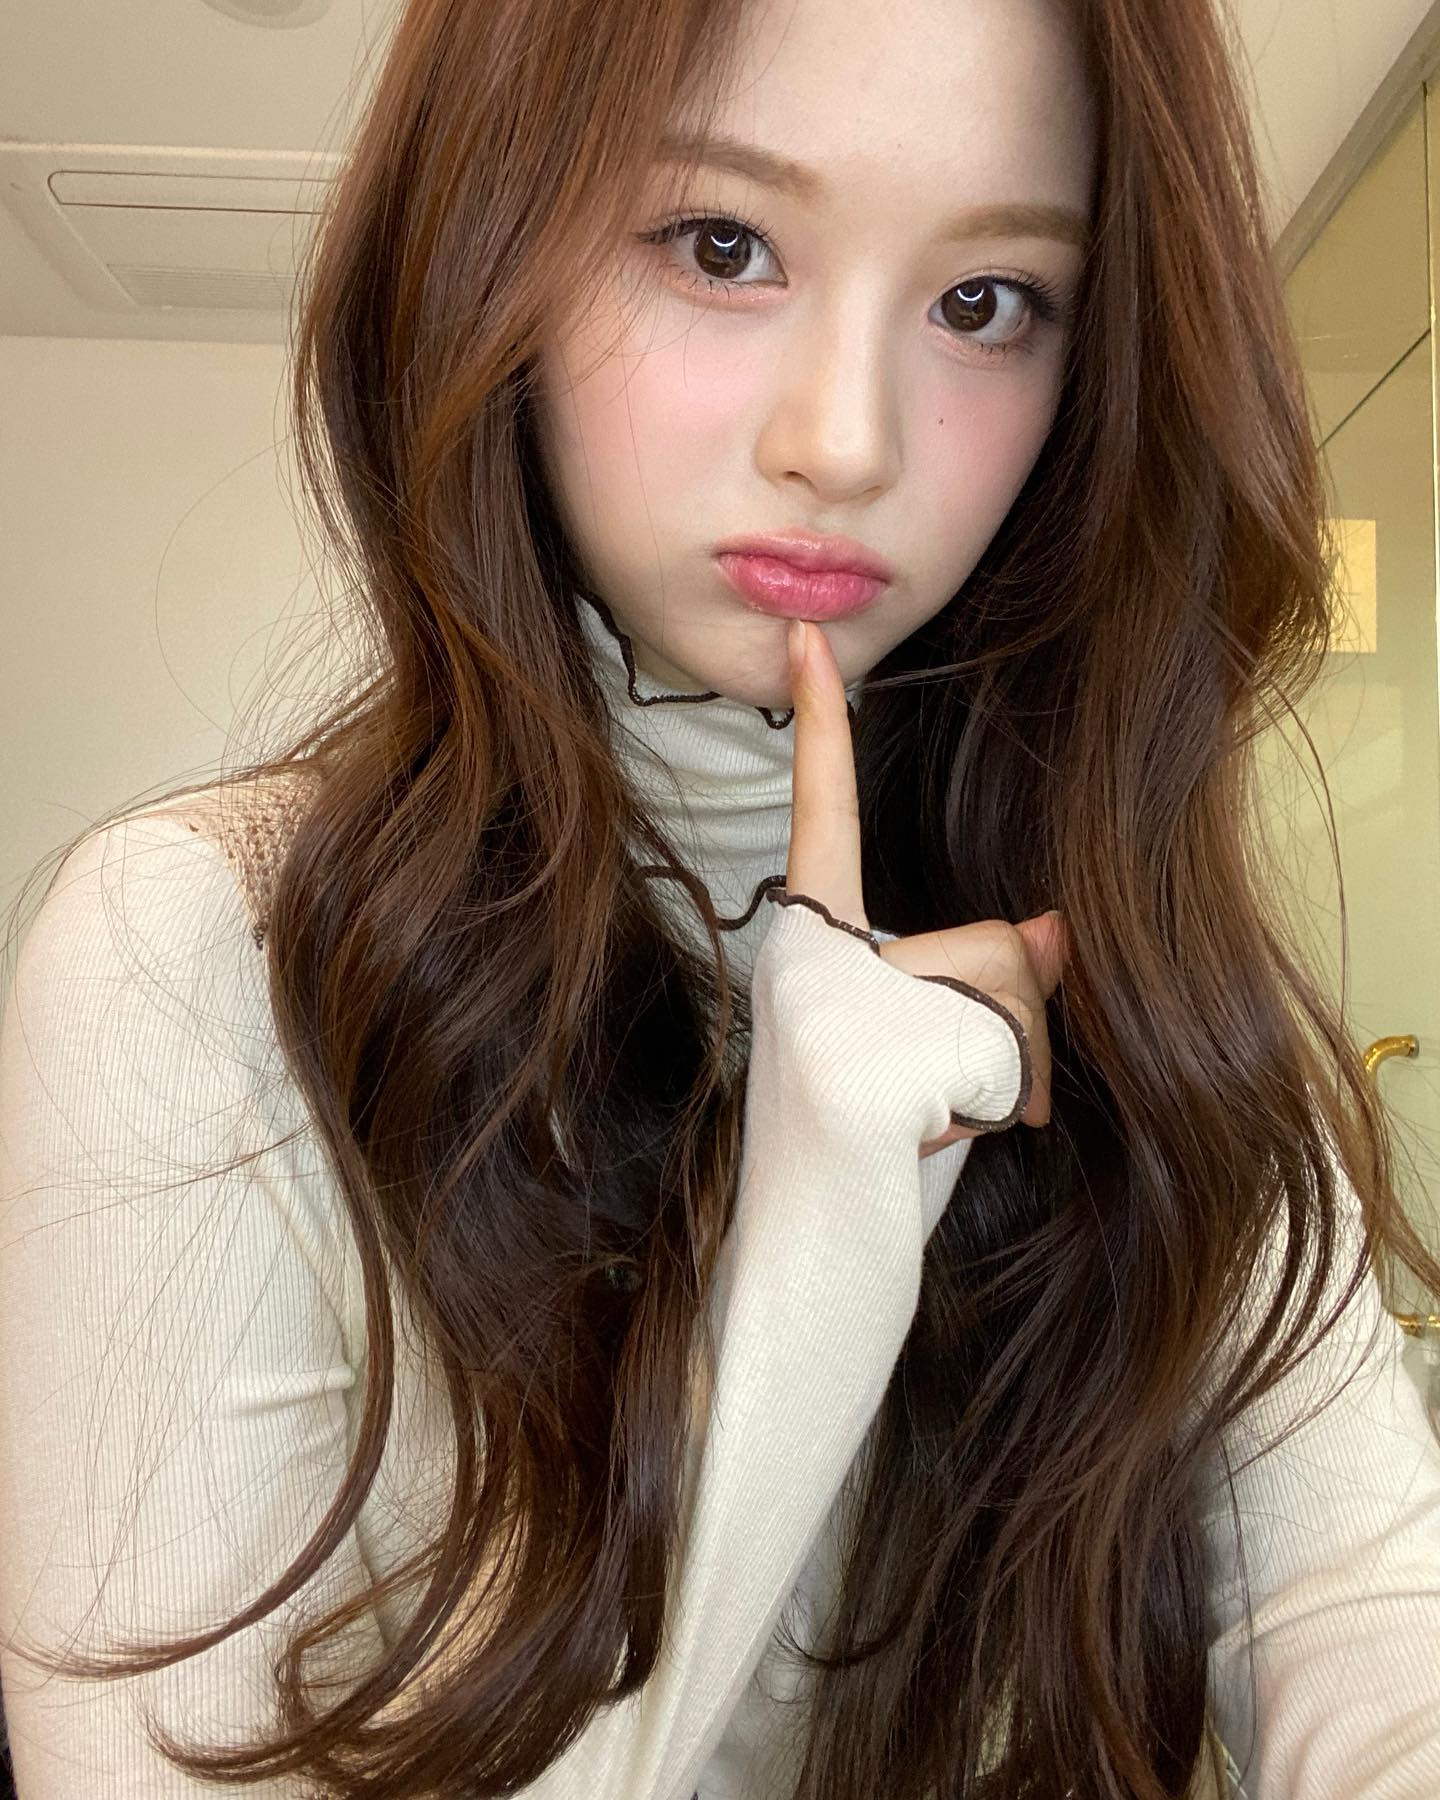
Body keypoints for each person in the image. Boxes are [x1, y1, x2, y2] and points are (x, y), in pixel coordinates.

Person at [1, 0, 1438, 1794]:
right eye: (721, 244)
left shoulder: (1128, 978)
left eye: (985, 300)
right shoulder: (198, 953)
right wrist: (808, 1275)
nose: (847, 442)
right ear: (488, 250)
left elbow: (1382, 1653)